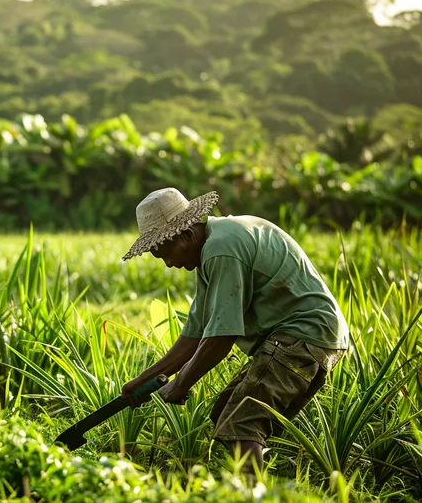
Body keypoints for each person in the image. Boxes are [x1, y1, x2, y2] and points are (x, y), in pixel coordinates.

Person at [119, 188, 349, 472]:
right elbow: (197, 332)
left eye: (167, 253)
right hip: (309, 336)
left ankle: (252, 494)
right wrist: (145, 379)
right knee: (225, 412)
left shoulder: (221, 250)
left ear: (187, 235)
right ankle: (257, 481)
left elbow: (220, 338)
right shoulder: (214, 246)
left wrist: (181, 384)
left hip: (302, 334)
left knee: (240, 423)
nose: (168, 263)